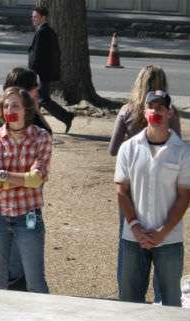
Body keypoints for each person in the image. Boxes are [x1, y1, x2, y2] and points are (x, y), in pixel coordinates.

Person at [108, 65, 181, 302]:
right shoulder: (171, 113)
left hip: (132, 191)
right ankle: (160, 299)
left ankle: (127, 295)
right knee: (165, 259)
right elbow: (176, 143)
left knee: (128, 247)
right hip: (163, 194)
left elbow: (113, 149)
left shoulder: (127, 111)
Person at [0, 87, 51, 292]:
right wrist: (23, 179)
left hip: (28, 217)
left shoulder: (41, 137)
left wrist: (2, 175)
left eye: (15, 105)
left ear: (26, 110)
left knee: (35, 281)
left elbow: (37, 179)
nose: (9, 109)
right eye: (5, 105)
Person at [28, 6, 74, 133]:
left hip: (42, 73)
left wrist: (33, 72)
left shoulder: (44, 32)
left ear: (43, 17)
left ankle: (66, 117)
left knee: (42, 99)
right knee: (38, 99)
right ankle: (35, 125)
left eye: (35, 17)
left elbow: (38, 54)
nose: (33, 19)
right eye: (32, 17)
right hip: (44, 72)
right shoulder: (46, 30)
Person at [0, 67, 51, 135]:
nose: (37, 90)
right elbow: (48, 133)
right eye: (35, 86)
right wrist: (35, 109)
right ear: (23, 91)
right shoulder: (28, 114)